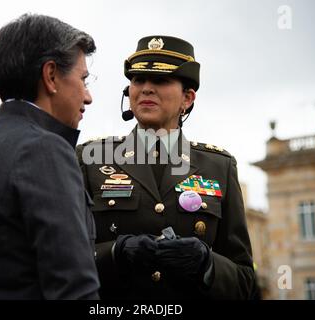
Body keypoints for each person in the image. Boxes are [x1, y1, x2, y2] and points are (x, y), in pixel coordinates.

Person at [77, 35, 255, 299]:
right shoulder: (91, 159)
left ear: (187, 98)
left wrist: (208, 265)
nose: (146, 88)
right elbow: (63, 256)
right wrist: (115, 253)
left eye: (161, 80)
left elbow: (245, 282)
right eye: (138, 80)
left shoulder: (219, 167)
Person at [0, 14, 100, 299]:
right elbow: (75, 288)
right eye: (83, 79)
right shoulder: (45, 150)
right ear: (51, 76)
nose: (88, 96)